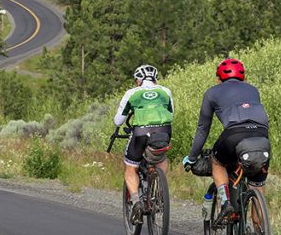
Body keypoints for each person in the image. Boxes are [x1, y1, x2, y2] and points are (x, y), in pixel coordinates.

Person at [183, 58, 270, 220]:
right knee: (257, 186)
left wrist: (192, 157)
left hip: (234, 134)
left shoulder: (212, 93)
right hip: (261, 136)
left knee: (217, 162)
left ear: (218, 78)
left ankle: (225, 202)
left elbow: (203, 129)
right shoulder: (253, 90)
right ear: (243, 77)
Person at [113, 64, 174, 225]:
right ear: (155, 78)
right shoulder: (165, 91)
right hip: (164, 131)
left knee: (130, 168)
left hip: (140, 132)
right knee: (161, 158)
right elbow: (171, 113)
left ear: (138, 80)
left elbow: (118, 121)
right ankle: (158, 191)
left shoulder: (132, 93)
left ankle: (136, 202)